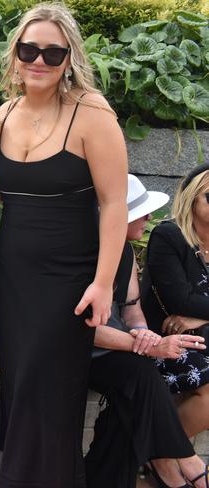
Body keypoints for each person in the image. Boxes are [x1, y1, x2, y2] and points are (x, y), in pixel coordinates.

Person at [0, 3, 128, 487]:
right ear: (15, 53)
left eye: (53, 52)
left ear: (69, 57)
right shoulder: (3, 113)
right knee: (22, 384)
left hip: (68, 277)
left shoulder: (91, 112)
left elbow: (114, 203)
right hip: (13, 278)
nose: (40, 60)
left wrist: (103, 284)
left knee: (49, 389)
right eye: (30, 49)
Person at [85, 174, 209, 488]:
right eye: (141, 212)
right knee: (139, 374)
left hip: (123, 348)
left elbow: (131, 310)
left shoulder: (125, 252)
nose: (149, 217)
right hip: (82, 351)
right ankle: (185, 461)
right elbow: (84, 331)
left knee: (135, 385)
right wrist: (145, 344)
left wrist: (144, 334)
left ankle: (154, 466)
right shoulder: (84, 255)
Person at [141, 163, 209, 485]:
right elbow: (178, 301)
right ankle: (165, 454)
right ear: (192, 199)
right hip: (164, 341)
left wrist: (203, 314)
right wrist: (194, 313)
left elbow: (192, 306)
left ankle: (158, 449)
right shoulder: (169, 236)